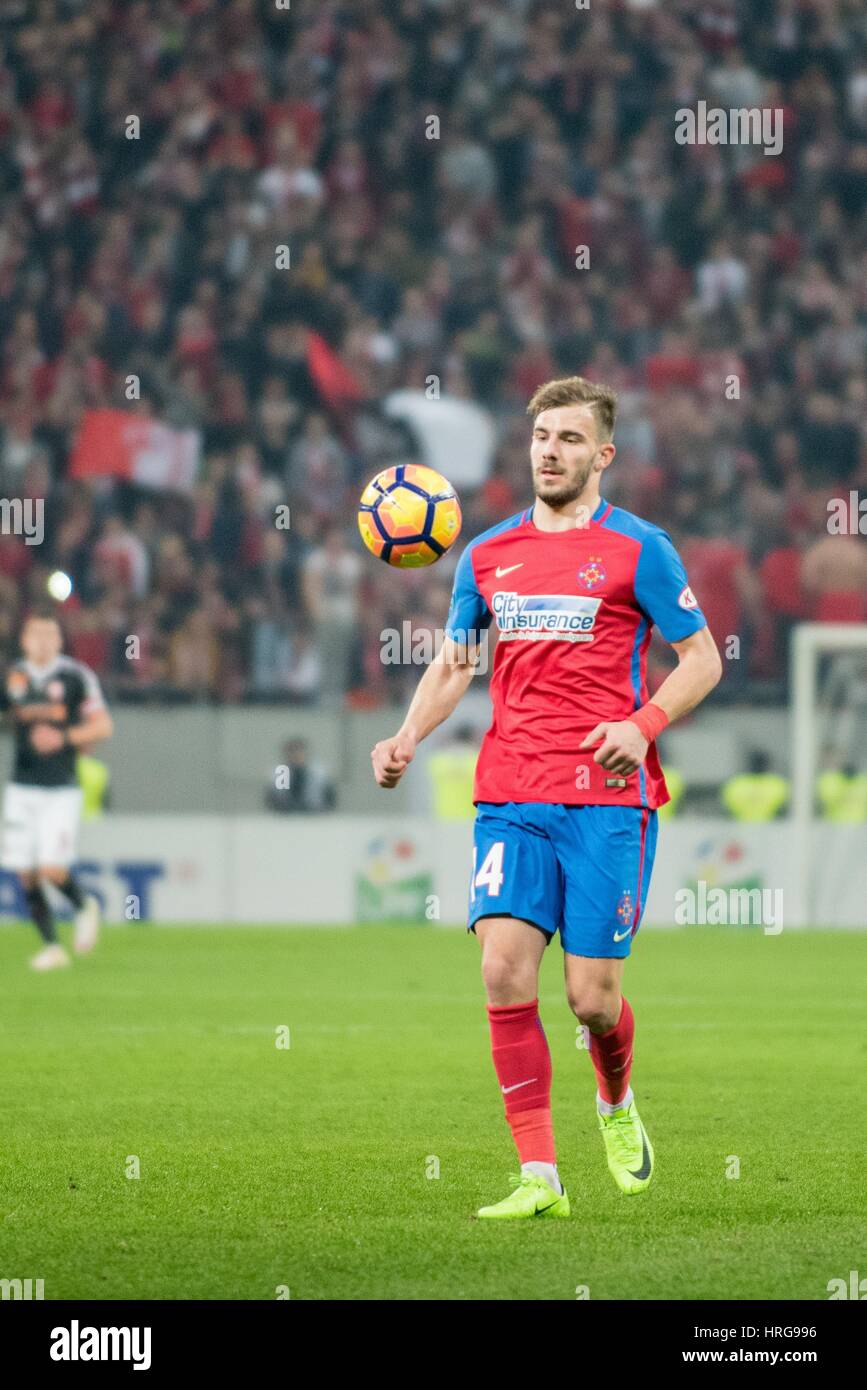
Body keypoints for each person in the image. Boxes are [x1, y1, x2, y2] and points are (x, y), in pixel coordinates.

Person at [371, 376, 721, 1218]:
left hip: (608, 798)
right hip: (512, 790)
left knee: (592, 1000)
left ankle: (613, 1097)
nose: (549, 452)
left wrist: (641, 725)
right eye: (539, 438)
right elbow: (457, 662)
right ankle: (540, 1178)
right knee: (500, 970)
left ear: (601, 454)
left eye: (568, 439)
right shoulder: (486, 553)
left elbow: (703, 658)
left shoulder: (642, 548)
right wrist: (407, 736)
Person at [1, 612, 113, 970]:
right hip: (21, 787)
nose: (44, 640)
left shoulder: (76, 677)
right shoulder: (11, 676)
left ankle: (84, 906)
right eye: (37, 633)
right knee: (26, 873)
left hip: (61, 789)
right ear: (24, 640)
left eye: (51, 633)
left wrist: (63, 737)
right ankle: (52, 947)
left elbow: (103, 726)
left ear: (60, 641)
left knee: (51, 868)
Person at [265, 738, 335, 813]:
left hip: (316, 816)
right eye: (291, 752)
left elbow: (330, 799)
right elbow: (274, 800)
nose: (295, 755)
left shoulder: (319, 774)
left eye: (299, 751)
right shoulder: (279, 774)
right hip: (285, 817)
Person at [720, 750, 789, 821]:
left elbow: (726, 811)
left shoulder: (735, 784)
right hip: (774, 828)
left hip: (740, 828)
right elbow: (784, 810)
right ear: (767, 764)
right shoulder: (777, 784)